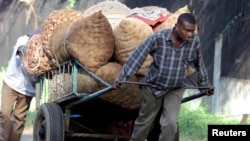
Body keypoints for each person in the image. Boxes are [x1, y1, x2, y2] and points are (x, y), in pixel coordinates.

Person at [112, 13, 214, 141]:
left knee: (170, 124)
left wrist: (205, 85)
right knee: (145, 123)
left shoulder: (194, 41)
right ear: (177, 26)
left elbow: (200, 63)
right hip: (153, 87)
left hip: (175, 89)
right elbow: (138, 57)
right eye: (187, 30)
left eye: (192, 31)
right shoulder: (158, 38)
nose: (190, 34)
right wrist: (122, 76)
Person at [0, 31, 39, 141]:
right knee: (5, 113)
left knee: (19, 119)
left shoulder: (42, 53)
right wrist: (30, 51)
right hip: (11, 84)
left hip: (27, 91)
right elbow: (21, 49)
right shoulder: (22, 40)